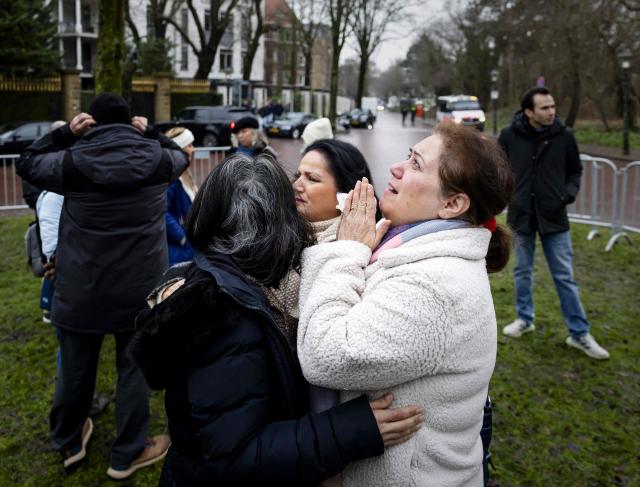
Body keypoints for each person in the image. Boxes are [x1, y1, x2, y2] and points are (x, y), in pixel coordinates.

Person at [129, 153, 423, 486]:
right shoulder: (227, 316)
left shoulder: (242, 284)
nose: (301, 188)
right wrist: (349, 429)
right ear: (281, 227)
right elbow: (236, 455)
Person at [297, 123, 515, 486]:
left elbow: (324, 354)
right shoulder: (407, 248)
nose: (397, 167)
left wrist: (344, 252)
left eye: (416, 164)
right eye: (408, 156)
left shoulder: (433, 285)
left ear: (452, 204)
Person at [16, 93, 189, 478]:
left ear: (89, 122)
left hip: (82, 287)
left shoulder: (73, 161)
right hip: (138, 290)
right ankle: (127, 452)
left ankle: (69, 441)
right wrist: (152, 132)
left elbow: (27, 164)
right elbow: (182, 154)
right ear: (131, 122)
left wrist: (63, 136)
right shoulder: (156, 159)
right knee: (132, 370)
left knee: (75, 371)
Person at [498, 87, 609, 360]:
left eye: (552, 106)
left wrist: (566, 195)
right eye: (545, 108)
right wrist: (507, 194)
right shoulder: (509, 136)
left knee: (564, 276)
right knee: (522, 272)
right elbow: (497, 168)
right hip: (521, 217)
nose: (552, 112)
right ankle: (525, 319)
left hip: (554, 218)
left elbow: (575, 170)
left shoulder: (564, 136)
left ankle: (579, 333)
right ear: (528, 112)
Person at [164, 127, 198, 266]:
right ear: (180, 149)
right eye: (189, 145)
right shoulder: (172, 177)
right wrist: (181, 237)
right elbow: (163, 212)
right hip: (177, 249)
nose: (193, 149)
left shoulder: (184, 173)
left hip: (187, 245)